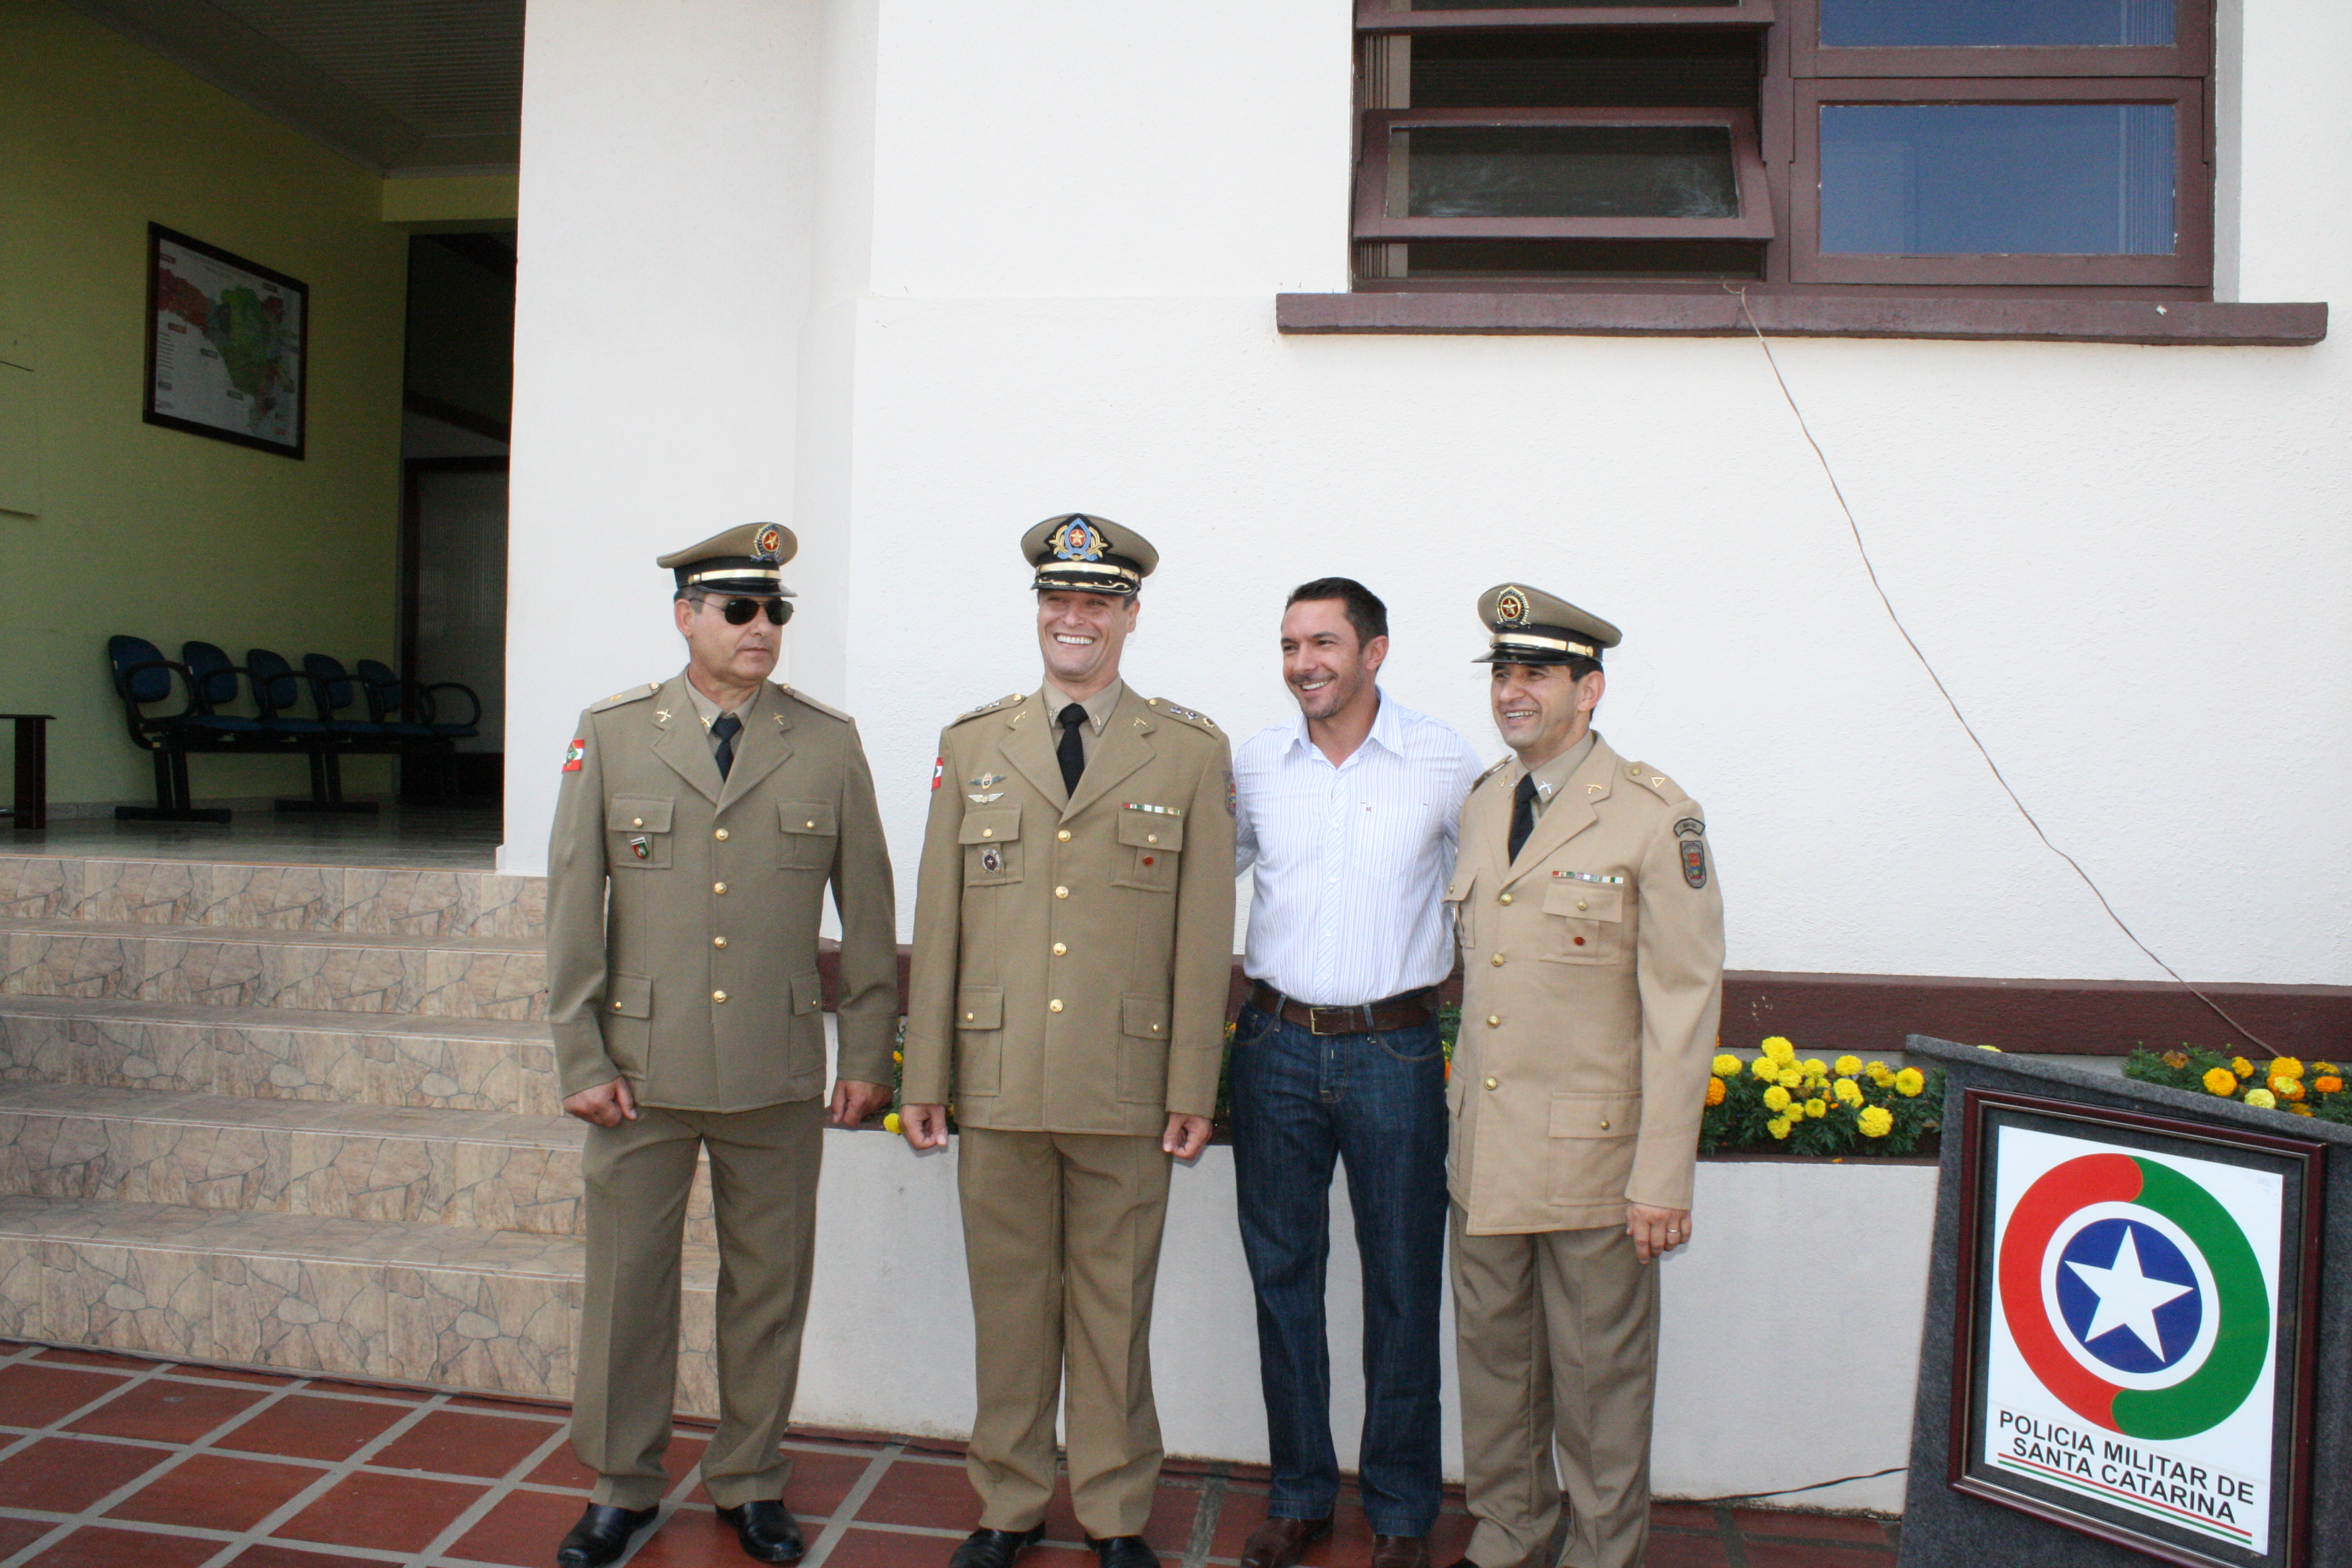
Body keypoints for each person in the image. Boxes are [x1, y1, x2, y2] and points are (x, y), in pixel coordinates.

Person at [543, 522, 899, 1568]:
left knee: (768, 1287)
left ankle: (748, 1480)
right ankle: (621, 1484)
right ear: (686, 615)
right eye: (739, 609)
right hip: (639, 1074)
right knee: (628, 1287)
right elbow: (573, 908)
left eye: (775, 611)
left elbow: (870, 913)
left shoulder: (826, 743)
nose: (762, 628)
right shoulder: (612, 734)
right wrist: (581, 1058)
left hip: (776, 1067)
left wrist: (868, 1054)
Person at [899, 513, 1236, 1568]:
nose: (1074, 619)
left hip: (1125, 1084)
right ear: (1039, 611)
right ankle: (1005, 1505)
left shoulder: (1188, 749)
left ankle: (1114, 1514)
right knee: (1008, 1312)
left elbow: (1202, 932)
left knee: (1113, 1311)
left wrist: (1192, 1082)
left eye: (1097, 602)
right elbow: (941, 918)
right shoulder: (972, 744)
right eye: (1059, 600)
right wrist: (927, 1075)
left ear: (1130, 617)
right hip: (996, 1079)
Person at [1443, 583, 1724, 1568]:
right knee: (1494, 1369)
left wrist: (1661, 1177)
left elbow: (1683, 1007)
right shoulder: (1484, 803)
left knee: (1600, 1385)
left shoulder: (1654, 816)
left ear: (1589, 688)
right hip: (1485, 1158)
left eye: (1538, 674)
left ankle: (1602, 1551)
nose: (1514, 692)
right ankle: (1511, 1528)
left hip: (1595, 1165)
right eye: (1504, 673)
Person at [1227, 578, 1483, 1568]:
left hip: (1397, 1052)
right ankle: (1299, 1496)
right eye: (1291, 646)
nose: (1304, 665)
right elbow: (1213, 874)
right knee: (1283, 1279)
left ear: (1375, 653)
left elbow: (1488, 895)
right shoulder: (1256, 765)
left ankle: (1403, 1511)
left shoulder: (1442, 761)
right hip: (1276, 1048)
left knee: (1404, 1286)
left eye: (1324, 644)